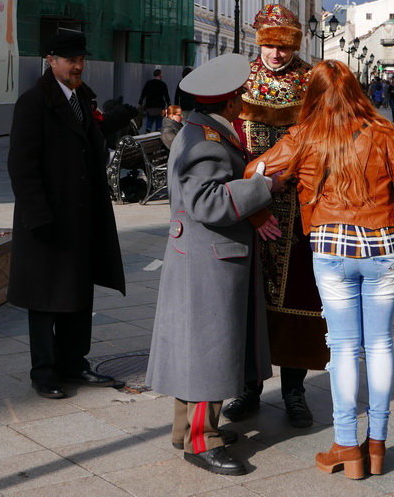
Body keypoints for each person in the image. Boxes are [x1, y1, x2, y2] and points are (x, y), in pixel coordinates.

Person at [244, 60, 394, 479]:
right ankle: (376, 444)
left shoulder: (304, 135)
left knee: (343, 347)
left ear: (313, 96)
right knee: (380, 344)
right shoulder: (383, 131)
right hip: (383, 244)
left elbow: (255, 169)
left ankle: (347, 446)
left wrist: (273, 193)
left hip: (329, 245)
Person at [146, 54, 281, 477]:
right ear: (229, 103)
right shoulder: (205, 141)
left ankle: (186, 429)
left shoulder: (198, 130)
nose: (242, 103)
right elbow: (208, 201)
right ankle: (202, 442)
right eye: (239, 97)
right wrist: (262, 188)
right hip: (211, 258)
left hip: (202, 255)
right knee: (209, 350)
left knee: (198, 347)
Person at [7, 31, 138, 399]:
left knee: (78, 293)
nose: (78, 66)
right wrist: (38, 216)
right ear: (51, 60)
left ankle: (74, 362)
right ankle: (44, 371)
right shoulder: (33, 102)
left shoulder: (82, 97)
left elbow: (86, 135)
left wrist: (111, 121)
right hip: (48, 219)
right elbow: (22, 165)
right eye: (69, 60)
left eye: (81, 59)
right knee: (45, 300)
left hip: (82, 216)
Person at [226, 4, 328, 429]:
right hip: (248, 209)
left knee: (297, 301)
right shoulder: (240, 80)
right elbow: (228, 145)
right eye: (268, 45)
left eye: (282, 47)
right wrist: (248, 206)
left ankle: (294, 391)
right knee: (247, 302)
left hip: (300, 212)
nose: (275, 55)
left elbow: (326, 143)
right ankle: (248, 388)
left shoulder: (312, 82)